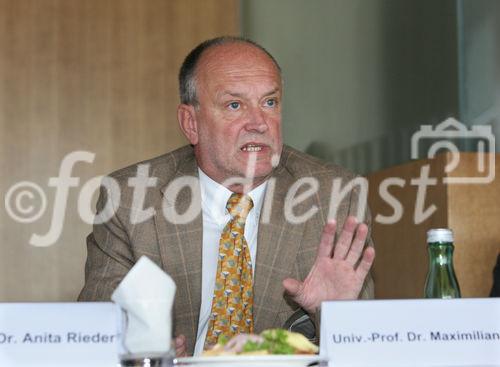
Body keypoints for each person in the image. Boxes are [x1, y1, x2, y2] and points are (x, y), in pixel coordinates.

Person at [78, 36, 375, 356]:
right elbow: (97, 338)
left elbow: (368, 348)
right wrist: (142, 355)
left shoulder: (335, 196)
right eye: (235, 105)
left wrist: (333, 316)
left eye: (270, 102)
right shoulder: (129, 199)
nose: (259, 123)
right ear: (190, 123)